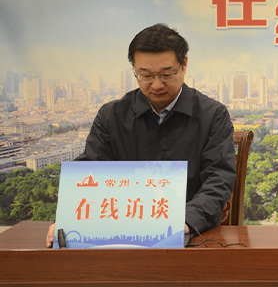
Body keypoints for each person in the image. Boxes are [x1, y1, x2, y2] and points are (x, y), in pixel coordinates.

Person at [46, 24, 236, 247]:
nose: (156, 85)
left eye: (166, 74)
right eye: (145, 75)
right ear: (135, 70)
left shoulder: (212, 115)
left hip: (189, 236)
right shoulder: (111, 116)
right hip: (120, 236)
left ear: (184, 64)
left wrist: (184, 221)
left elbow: (218, 178)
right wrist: (68, 219)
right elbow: (91, 173)